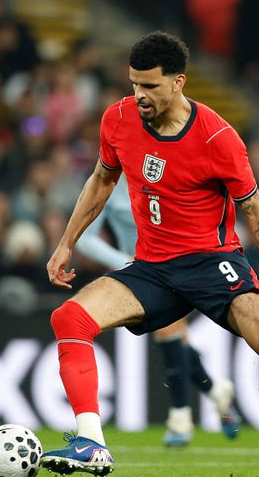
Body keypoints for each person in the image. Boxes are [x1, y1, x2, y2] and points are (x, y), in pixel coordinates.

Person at [42, 31, 259, 477]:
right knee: (69, 319)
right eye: (134, 85)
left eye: (151, 87)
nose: (139, 96)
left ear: (179, 82)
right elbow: (101, 181)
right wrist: (66, 243)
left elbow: (256, 210)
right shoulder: (117, 119)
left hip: (213, 265)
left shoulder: (217, 137)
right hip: (153, 268)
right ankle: (91, 442)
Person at [75, 177, 241, 447]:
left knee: (169, 332)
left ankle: (180, 419)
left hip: (179, 263)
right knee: (178, 340)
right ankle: (216, 392)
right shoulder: (107, 179)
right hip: (141, 272)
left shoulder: (160, 166)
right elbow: (86, 240)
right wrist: (124, 262)